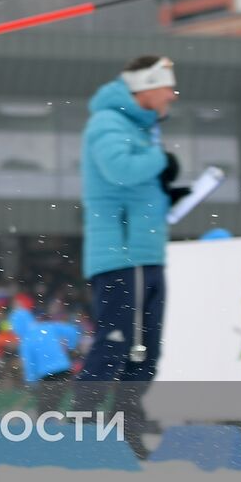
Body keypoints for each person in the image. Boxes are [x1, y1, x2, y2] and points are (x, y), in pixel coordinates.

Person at [74, 55, 188, 455]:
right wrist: (161, 162)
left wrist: (166, 192)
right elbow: (119, 169)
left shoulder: (140, 127)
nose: (172, 94)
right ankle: (82, 429)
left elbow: (133, 185)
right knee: (116, 345)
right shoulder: (108, 122)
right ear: (145, 87)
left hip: (145, 254)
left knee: (147, 350)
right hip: (123, 256)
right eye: (167, 86)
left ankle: (125, 427)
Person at [8, 294, 81, 415]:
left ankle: (52, 430)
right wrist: (71, 348)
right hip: (64, 370)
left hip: (47, 376)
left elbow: (30, 366)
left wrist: (32, 385)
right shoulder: (47, 326)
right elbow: (72, 331)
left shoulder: (26, 341)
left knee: (44, 413)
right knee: (55, 407)